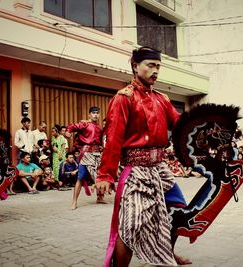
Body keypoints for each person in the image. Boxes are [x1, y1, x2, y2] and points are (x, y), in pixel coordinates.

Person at [95, 47, 190, 266]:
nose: (155, 70)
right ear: (135, 65)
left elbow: (180, 127)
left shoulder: (161, 99)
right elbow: (113, 139)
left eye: (158, 66)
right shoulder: (123, 98)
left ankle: (168, 253)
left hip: (160, 169)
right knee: (132, 225)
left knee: (178, 208)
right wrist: (105, 174)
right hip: (135, 171)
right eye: (150, 65)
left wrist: (202, 128)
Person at [66, 106, 104, 209]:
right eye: (93, 113)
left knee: (99, 176)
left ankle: (100, 197)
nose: (95, 114)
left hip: (97, 154)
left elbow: (100, 140)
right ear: (89, 114)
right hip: (86, 154)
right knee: (81, 177)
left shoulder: (100, 127)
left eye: (97, 113)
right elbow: (72, 126)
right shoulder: (85, 123)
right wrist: (68, 131)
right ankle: (74, 202)